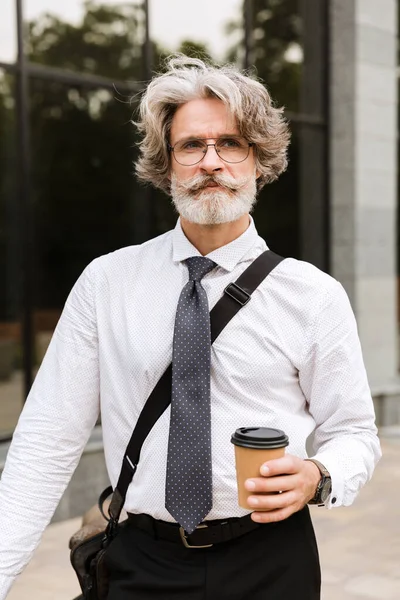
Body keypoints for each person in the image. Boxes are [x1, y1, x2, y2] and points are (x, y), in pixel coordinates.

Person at [0, 55, 381, 600]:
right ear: (166, 162)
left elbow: (354, 432)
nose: (211, 162)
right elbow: (45, 441)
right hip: (138, 559)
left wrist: (318, 476)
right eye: (190, 146)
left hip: (271, 561)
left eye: (231, 144)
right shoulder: (107, 282)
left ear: (257, 160)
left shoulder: (313, 295)